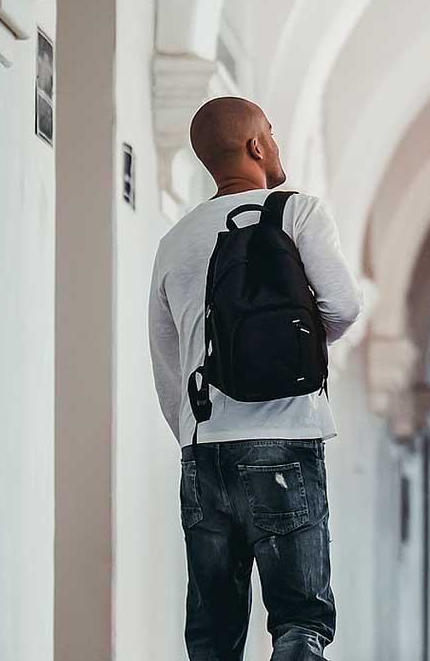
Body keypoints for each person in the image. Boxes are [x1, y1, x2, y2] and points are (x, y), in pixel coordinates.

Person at [148, 96, 363, 660]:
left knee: (214, 634)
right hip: (287, 440)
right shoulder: (298, 212)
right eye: (271, 131)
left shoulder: (175, 241)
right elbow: (342, 305)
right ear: (256, 145)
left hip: (205, 453)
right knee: (300, 621)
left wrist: (195, 441)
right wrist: (293, 359)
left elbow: (167, 361)